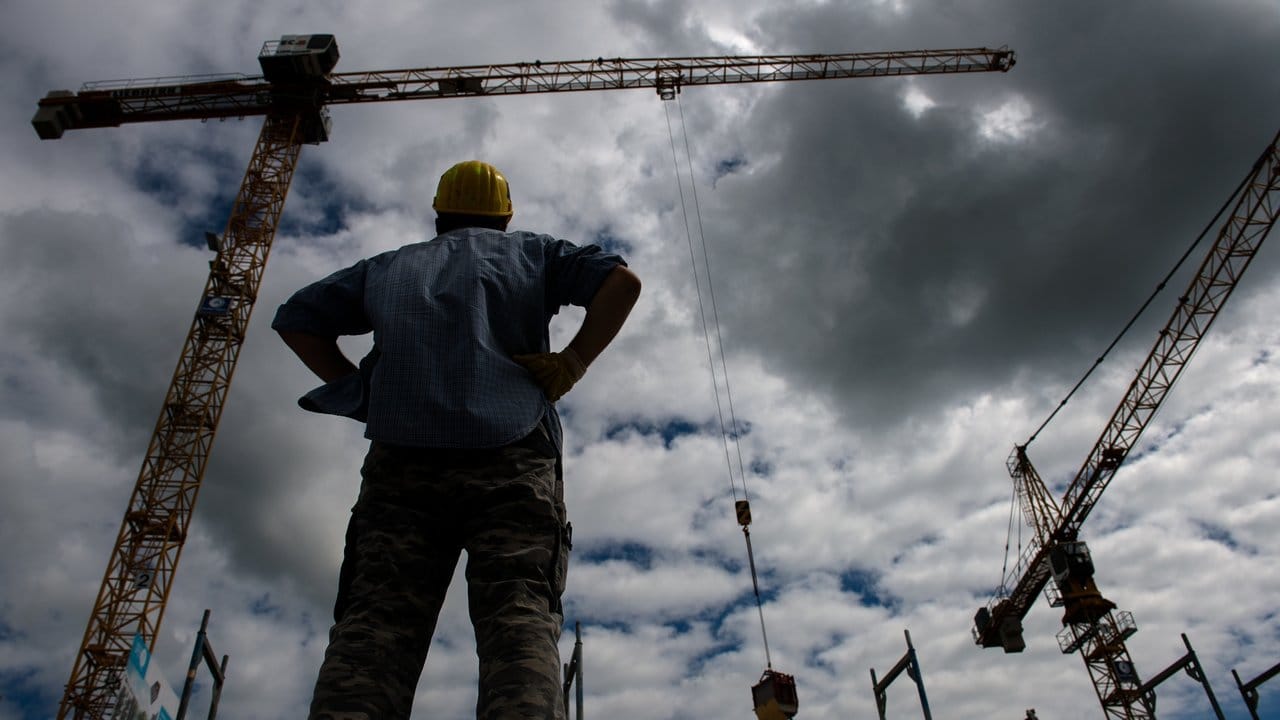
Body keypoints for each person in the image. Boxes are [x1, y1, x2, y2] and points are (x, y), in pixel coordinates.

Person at [272, 160, 641, 720]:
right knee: (517, 615)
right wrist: (572, 361)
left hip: (402, 462)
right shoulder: (533, 253)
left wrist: (362, 392)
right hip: (513, 455)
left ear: (439, 214)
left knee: (374, 625)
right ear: (506, 214)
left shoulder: (389, 267)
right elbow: (622, 282)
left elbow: (297, 318)